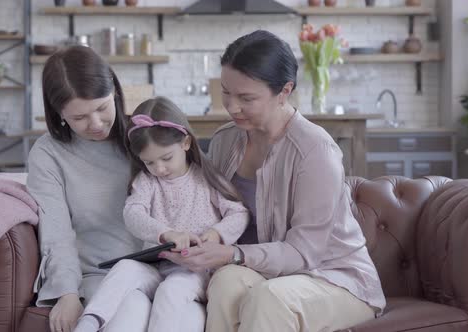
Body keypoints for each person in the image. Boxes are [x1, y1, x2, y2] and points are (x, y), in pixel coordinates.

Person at [160, 30, 386, 332]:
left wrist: (233, 253)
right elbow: (213, 212)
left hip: (334, 278)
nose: (232, 106)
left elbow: (304, 253)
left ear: (284, 91)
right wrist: (193, 240)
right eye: (226, 92)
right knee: (225, 281)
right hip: (270, 274)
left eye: (246, 98)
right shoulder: (225, 140)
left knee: (269, 298)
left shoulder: (315, 151)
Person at [74, 96, 249, 332]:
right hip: (157, 269)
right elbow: (133, 213)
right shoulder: (147, 181)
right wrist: (165, 233)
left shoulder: (205, 178)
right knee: (124, 268)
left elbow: (239, 213)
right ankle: (88, 323)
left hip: (195, 272)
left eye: (166, 158)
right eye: (149, 163)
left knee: (172, 290)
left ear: (186, 143)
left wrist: (216, 234)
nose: (159, 169)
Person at [26, 45, 148, 332]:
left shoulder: (145, 134)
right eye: (79, 118)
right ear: (59, 114)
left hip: (167, 268)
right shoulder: (49, 154)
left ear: (115, 93)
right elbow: (56, 232)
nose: (95, 124)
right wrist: (67, 293)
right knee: (130, 315)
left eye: (102, 108)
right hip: (101, 273)